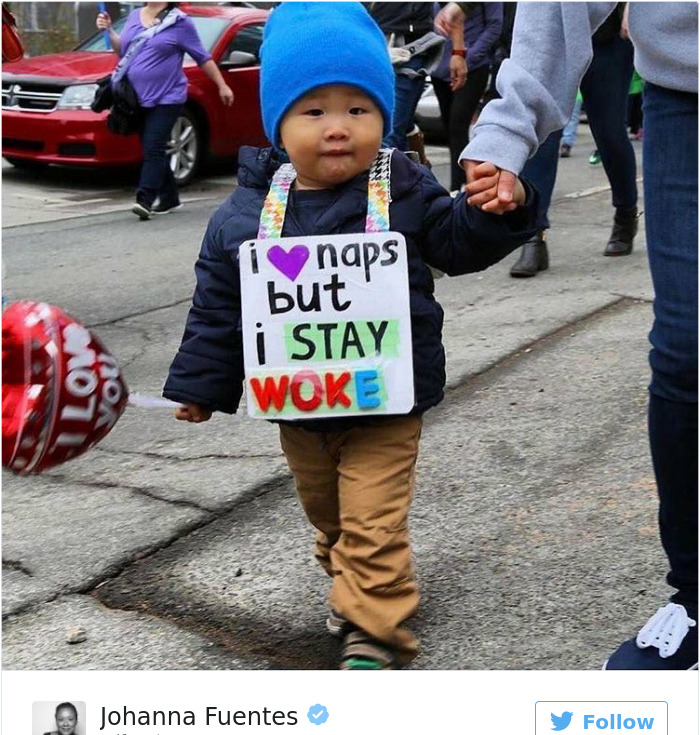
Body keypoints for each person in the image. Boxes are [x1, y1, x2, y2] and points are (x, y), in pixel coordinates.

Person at [163, 1, 537, 670]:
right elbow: (220, 306)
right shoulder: (245, 212)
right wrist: (200, 385)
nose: (338, 128)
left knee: (371, 518)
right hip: (301, 406)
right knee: (330, 515)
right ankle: (357, 577)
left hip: (386, 401)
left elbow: (455, 243)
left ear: (384, 118)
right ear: (277, 121)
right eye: (314, 111)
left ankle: (376, 628)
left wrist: (500, 214)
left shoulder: (405, 189)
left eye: (358, 110)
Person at [455, 1, 697, 670]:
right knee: (688, 349)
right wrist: (510, 128)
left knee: (615, 141)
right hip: (687, 95)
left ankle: (621, 211)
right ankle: (695, 596)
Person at [507, 6, 638, 278]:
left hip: (608, 38)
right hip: (555, 38)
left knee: (609, 134)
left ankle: (626, 213)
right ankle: (534, 235)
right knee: (542, 134)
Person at [96, 2, 234, 220]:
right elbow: (123, 50)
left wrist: (222, 85)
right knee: (153, 149)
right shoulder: (134, 17)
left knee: (153, 146)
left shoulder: (180, 22)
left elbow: (202, 57)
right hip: (135, 98)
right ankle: (170, 196)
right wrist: (109, 30)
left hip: (168, 97)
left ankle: (145, 199)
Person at [432, 3, 503, 192]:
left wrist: (468, 56)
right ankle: (461, 184)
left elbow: (495, 26)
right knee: (449, 128)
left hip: (473, 66)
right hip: (440, 67)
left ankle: (460, 186)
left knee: (458, 125)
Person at [366, 3, 445, 151]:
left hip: (406, 47)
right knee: (395, 132)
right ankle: (412, 168)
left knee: (388, 137)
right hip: (371, 39)